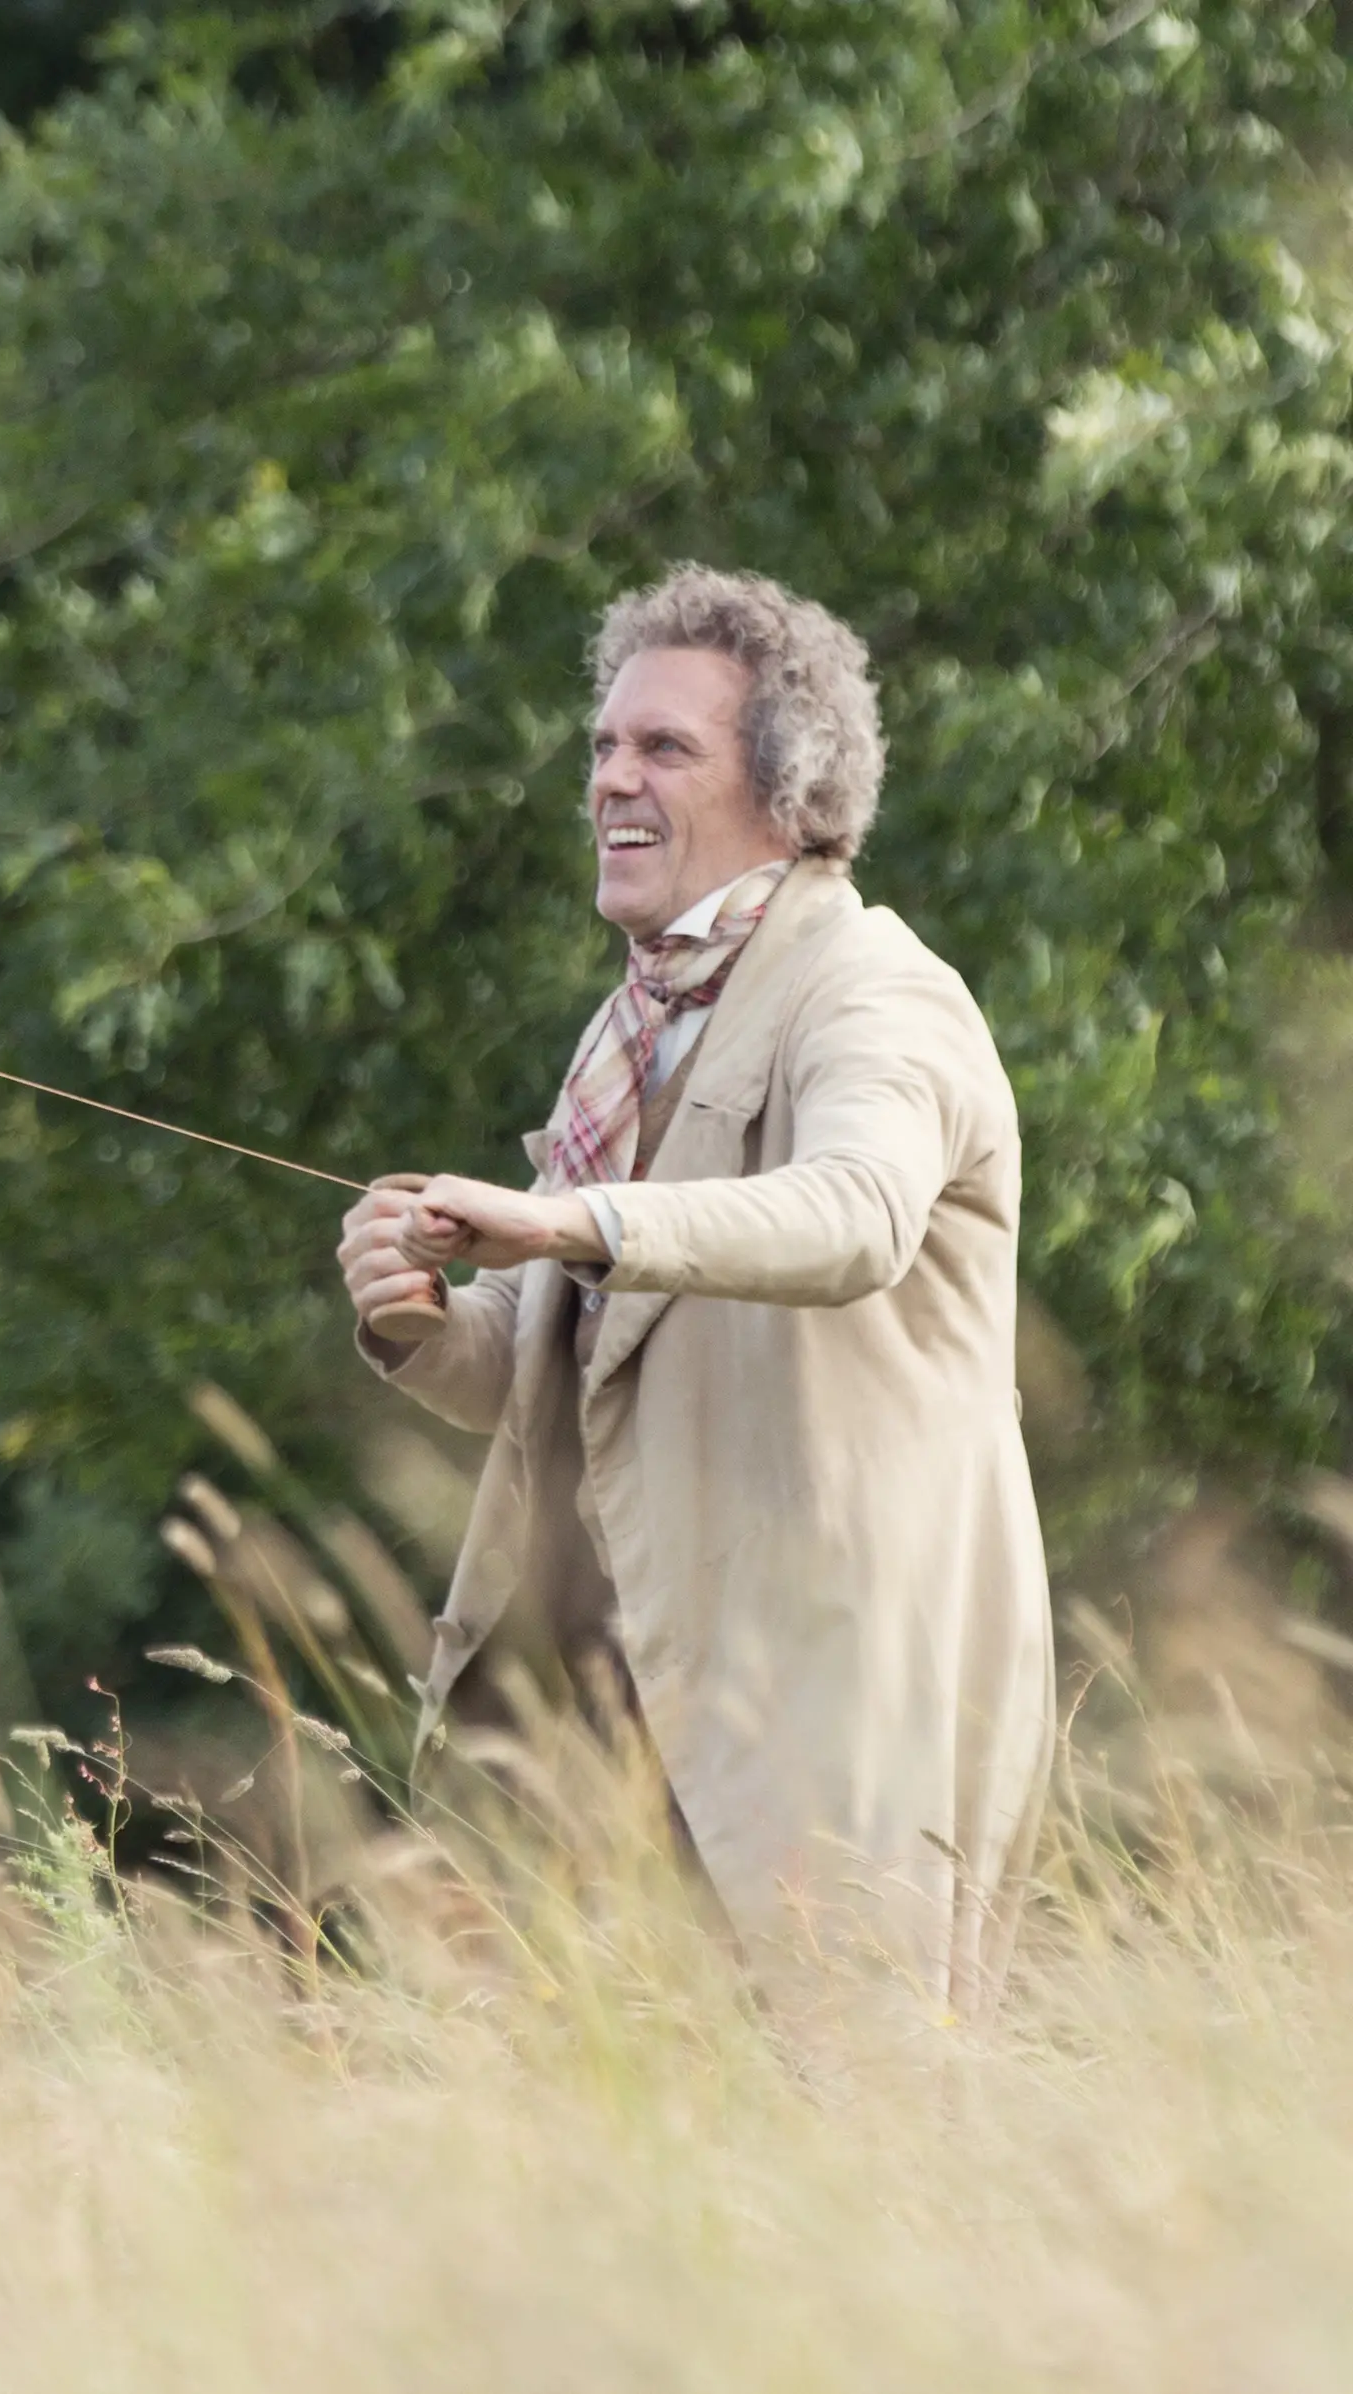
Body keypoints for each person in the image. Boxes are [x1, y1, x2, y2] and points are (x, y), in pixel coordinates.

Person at [334, 565, 1051, 2017]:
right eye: (603, 746)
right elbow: (596, 1368)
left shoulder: (871, 986)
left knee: (847, 2175)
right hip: (605, 1729)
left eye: (664, 748)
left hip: (816, 1728)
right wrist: (419, 1316)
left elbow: (854, 1217)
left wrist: (561, 1219)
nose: (611, 778)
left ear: (790, 790)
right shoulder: (640, 1023)